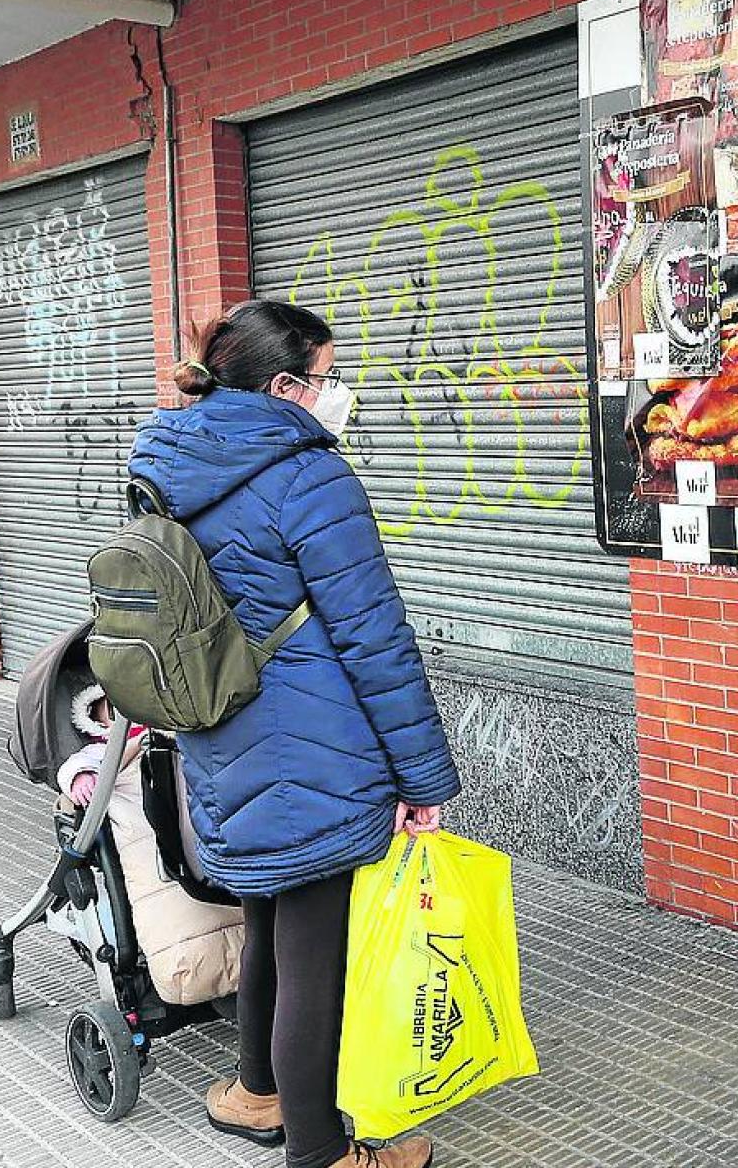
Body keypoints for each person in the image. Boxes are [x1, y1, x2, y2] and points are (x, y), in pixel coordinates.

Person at [129, 299, 458, 1168]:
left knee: (271, 917)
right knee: (315, 952)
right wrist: (423, 778)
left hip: (220, 737)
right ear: (284, 386)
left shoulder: (166, 459)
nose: (336, 393)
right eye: (327, 377)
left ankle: (253, 1093)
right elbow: (374, 636)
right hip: (315, 749)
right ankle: (321, 1153)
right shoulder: (309, 476)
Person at [59, 686, 246, 1007]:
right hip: (147, 832)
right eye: (111, 709)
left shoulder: (178, 729)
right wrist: (80, 778)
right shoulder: (102, 751)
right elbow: (71, 768)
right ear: (100, 723)